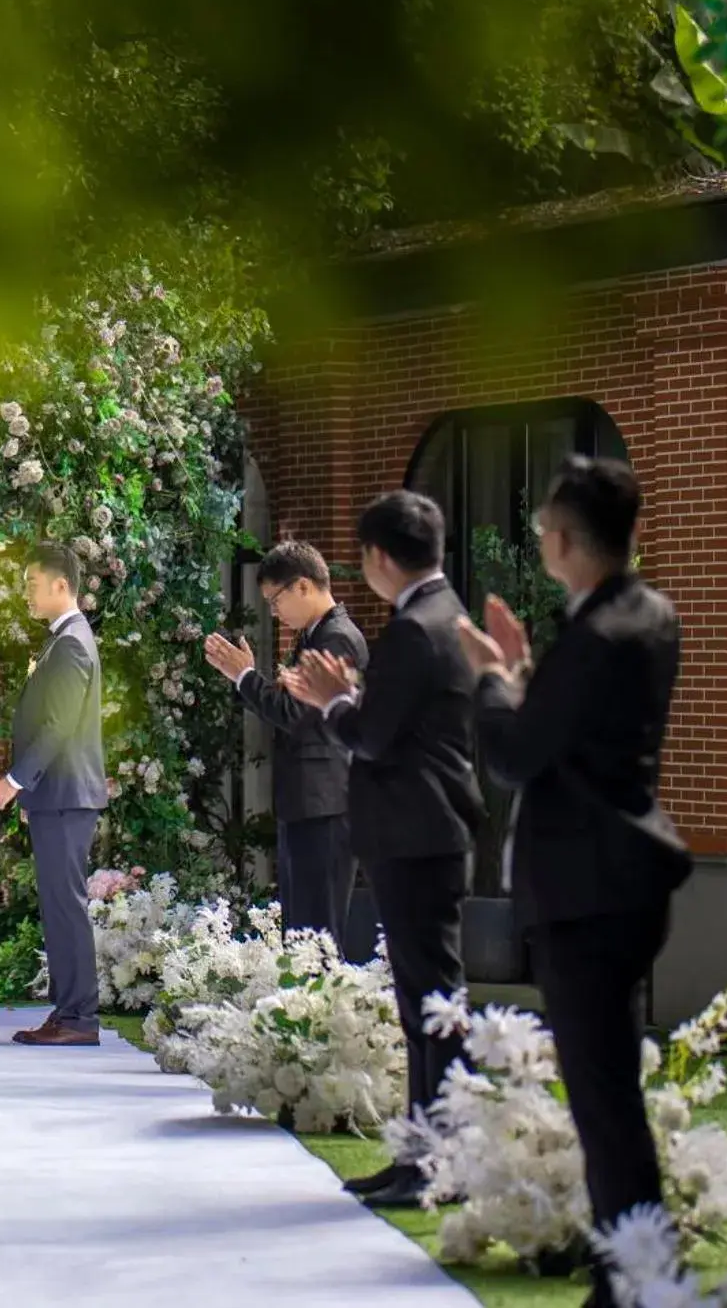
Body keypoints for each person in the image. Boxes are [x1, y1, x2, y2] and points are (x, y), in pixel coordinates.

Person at [456, 457, 689, 1307]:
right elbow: (570, 734)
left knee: (601, 1094)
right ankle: (637, 1259)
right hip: (625, 878)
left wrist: (490, 678)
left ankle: (635, 1274)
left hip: (588, 887)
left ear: (560, 540)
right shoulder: (647, 614)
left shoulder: (594, 635)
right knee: (608, 1085)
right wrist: (524, 679)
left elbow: (516, 755)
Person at [283, 491, 482, 1209]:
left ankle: (439, 1160)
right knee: (424, 1000)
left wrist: (331, 699)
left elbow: (372, 734)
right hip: (428, 830)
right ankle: (422, 1156)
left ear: (378, 558)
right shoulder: (445, 615)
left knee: (431, 1002)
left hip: (417, 832)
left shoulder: (415, 629)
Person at [206, 541, 367, 943]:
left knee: (317, 935)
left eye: (275, 601)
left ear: (302, 586)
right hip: (307, 802)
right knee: (300, 935)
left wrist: (245, 676)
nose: (274, 612)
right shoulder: (316, 635)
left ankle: (320, 1008)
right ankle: (301, 1007)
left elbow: (296, 715)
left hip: (327, 803)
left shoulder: (337, 638)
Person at [0, 543, 106, 1047]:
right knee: (59, 905)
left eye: (32, 585)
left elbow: (58, 726)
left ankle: (78, 1018)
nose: (26, 595)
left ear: (61, 585)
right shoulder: (65, 640)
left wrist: (14, 781)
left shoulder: (73, 642)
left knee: (66, 905)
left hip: (64, 793)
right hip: (58, 795)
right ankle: (68, 1012)